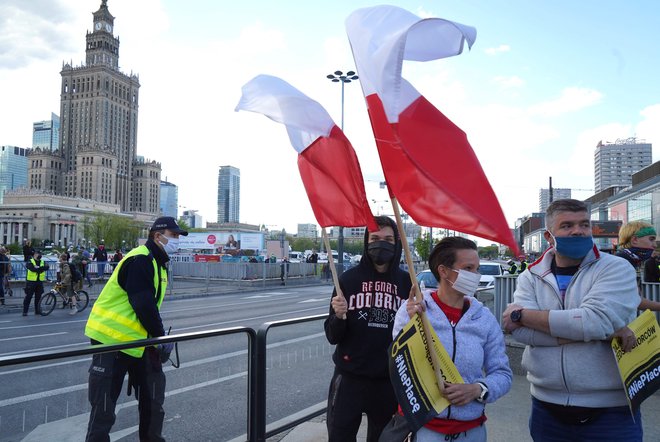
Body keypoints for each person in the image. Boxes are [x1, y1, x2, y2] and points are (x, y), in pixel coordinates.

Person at [502, 199, 641, 441]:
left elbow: (595, 321)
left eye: (584, 224)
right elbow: (521, 334)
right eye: (567, 226)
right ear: (548, 236)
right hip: (546, 409)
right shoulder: (531, 275)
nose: (578, 231)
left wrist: (521, 315)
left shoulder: (617, 268)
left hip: (611, 413)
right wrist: (603, 332)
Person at [397, 237, 512, 441]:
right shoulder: (414, 310)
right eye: (468, 267)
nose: (476, 275)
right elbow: (400, 362)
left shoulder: (484, 318)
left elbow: (502, 373)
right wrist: (410, 324)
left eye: (477, 269)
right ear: (443, 271)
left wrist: (478, 389)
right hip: (423, 427)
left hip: (471, 430)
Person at [84, 216, 188, 441]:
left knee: (152, 400)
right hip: (111, 340)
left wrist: (155, 338)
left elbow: (148, 307)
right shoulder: (141, 259)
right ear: (157, 236)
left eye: (178, 236)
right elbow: (143, 303)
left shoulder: (157, 263)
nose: (177, 239)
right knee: (104, 408)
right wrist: (160, 337)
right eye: (174, 235)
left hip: (138, 341)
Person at [324, 216, 412, 442]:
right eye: (375, 238)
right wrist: (339, 317)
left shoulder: (407, 283)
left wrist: (417, 317)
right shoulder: (348, 280)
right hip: (349, 378)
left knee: (383, 439)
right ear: (366, 241)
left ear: (397, 243)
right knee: (339, 436)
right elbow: (332, 336)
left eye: (388, 239)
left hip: (388, 381)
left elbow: (415, 338)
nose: (381, 243)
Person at [615, 220, 660, 311]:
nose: (655, 245)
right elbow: (635, 300)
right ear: (635, 240)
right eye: (651, 239)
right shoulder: (622, 263)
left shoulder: (628, 260)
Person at [23, 250, 49, 316]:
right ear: (35, 254)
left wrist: (38, 267)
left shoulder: (43, 261)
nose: (40, 255)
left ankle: (37, 311)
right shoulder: (30, 261)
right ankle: (25, 311)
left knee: (38, 297)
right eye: (38, 254)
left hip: (39, 282)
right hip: (31, 282)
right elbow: (32, 268)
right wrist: (41, 269)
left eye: (40, 254)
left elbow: (47, 267)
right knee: (28, 297)